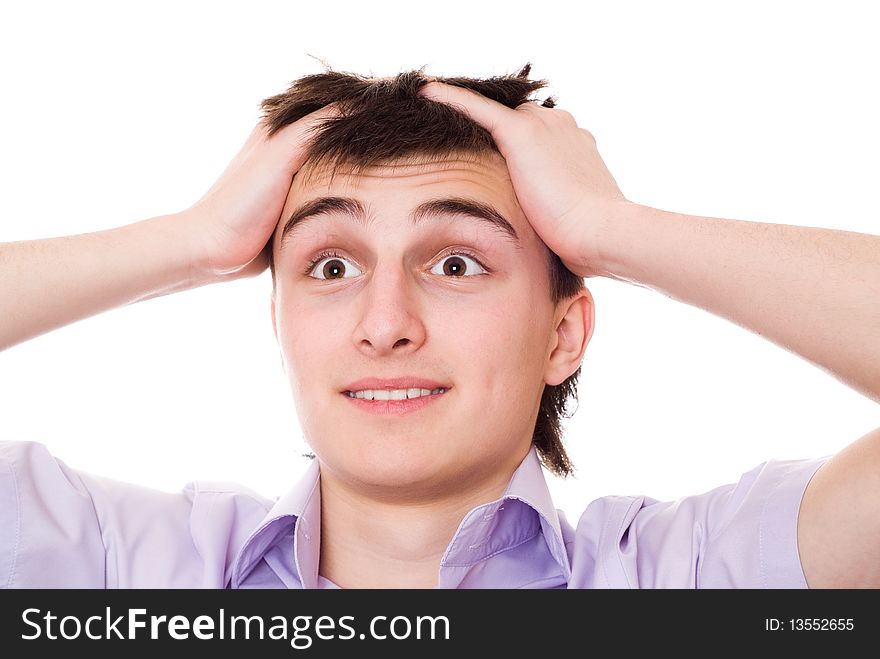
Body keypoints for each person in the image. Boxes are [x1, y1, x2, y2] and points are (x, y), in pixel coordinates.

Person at [1, 63, 877, 589]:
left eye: (456, 263)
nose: (384, 325)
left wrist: (615, 228)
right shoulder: (120, 569)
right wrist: (190, 242)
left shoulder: (689, 580)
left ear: (562, 335)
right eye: (331, 267)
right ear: (280, 325)